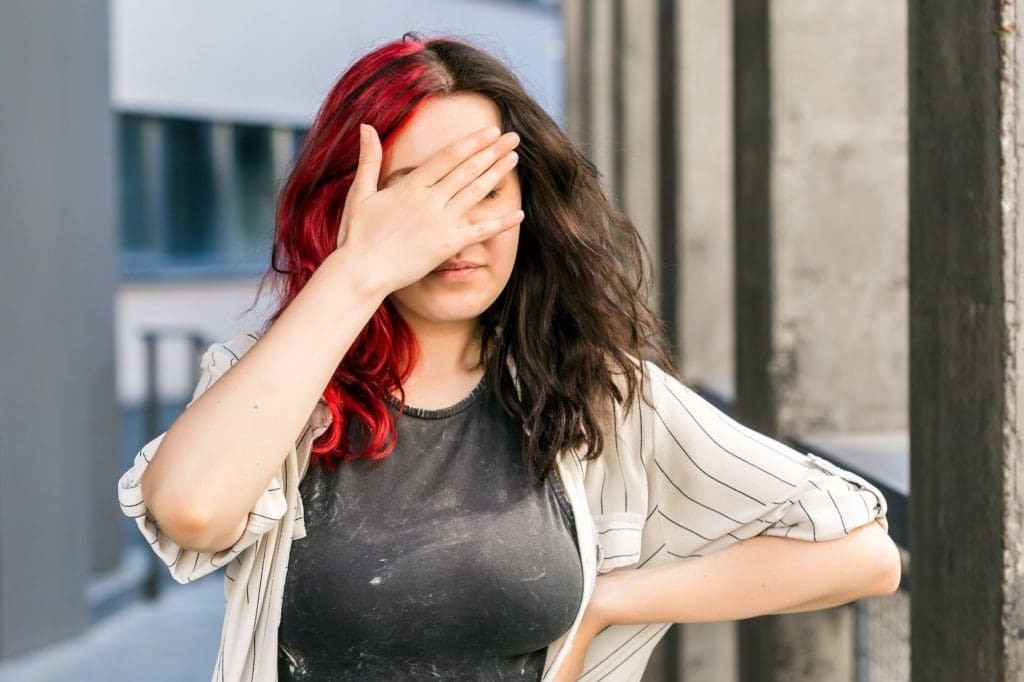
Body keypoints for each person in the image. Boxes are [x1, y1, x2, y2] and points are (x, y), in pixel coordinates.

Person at [116, 32, 900, 682]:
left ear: (527, 205)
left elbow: (862, 554)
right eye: (418, 196)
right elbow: (191, 510)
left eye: (484, 191)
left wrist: (607, 602)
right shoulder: (275, 381)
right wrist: (357, 273)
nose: (455, 231)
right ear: (348, 209)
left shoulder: (594, 390)